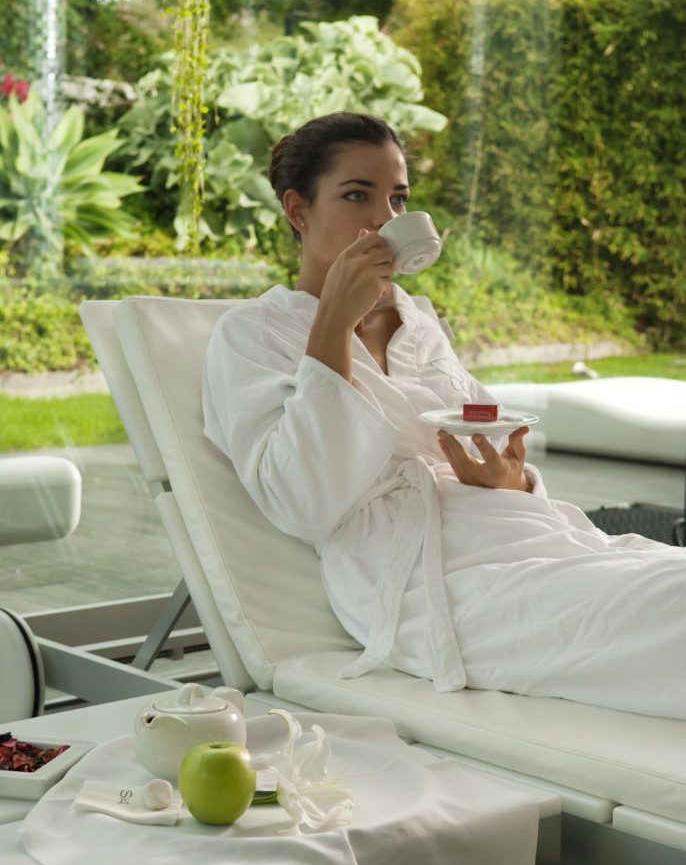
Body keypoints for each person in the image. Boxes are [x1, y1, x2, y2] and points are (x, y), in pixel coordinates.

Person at [203, 111, 685, 719]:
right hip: (423, 584)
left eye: (398, 198)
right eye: (358, 196)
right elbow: (302, 502)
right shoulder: (251, 334)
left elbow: (486, 446)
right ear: (298, 211)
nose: (385, 219)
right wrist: (332, 323)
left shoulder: (421, 324)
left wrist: (512, 480)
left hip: (535, 541)